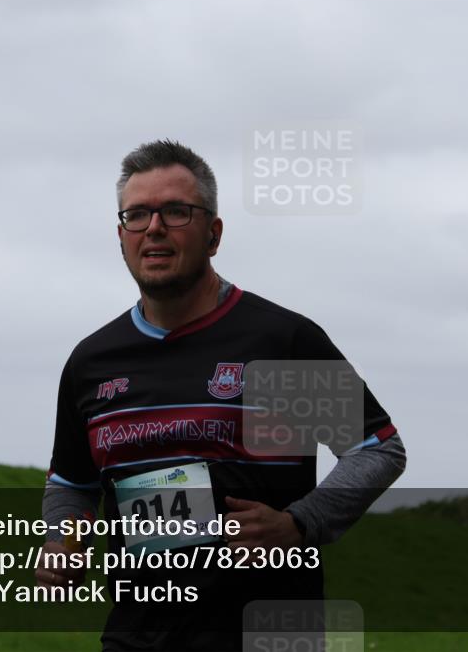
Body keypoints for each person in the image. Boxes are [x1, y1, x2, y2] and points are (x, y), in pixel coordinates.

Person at [36, 139, 407, 651]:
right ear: (121, 236)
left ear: (214, 234)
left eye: (175, 212)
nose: (154, 228)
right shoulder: (92, 363)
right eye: (136, 215)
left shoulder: (277, 342)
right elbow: (71, 484)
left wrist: (301, 523)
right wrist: (64, 539)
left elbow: (376, 449)